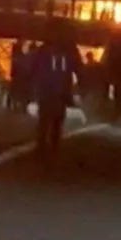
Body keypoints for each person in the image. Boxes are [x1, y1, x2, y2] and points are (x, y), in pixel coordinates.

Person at [32, 24, 80, 157]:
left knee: (50, 119)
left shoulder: (48, 50)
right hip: (53, 91)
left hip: (56, 91)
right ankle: (47, 146)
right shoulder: (49, 51)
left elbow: (78, 68)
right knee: (49, 119)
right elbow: (78, 68)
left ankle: (47, 146)